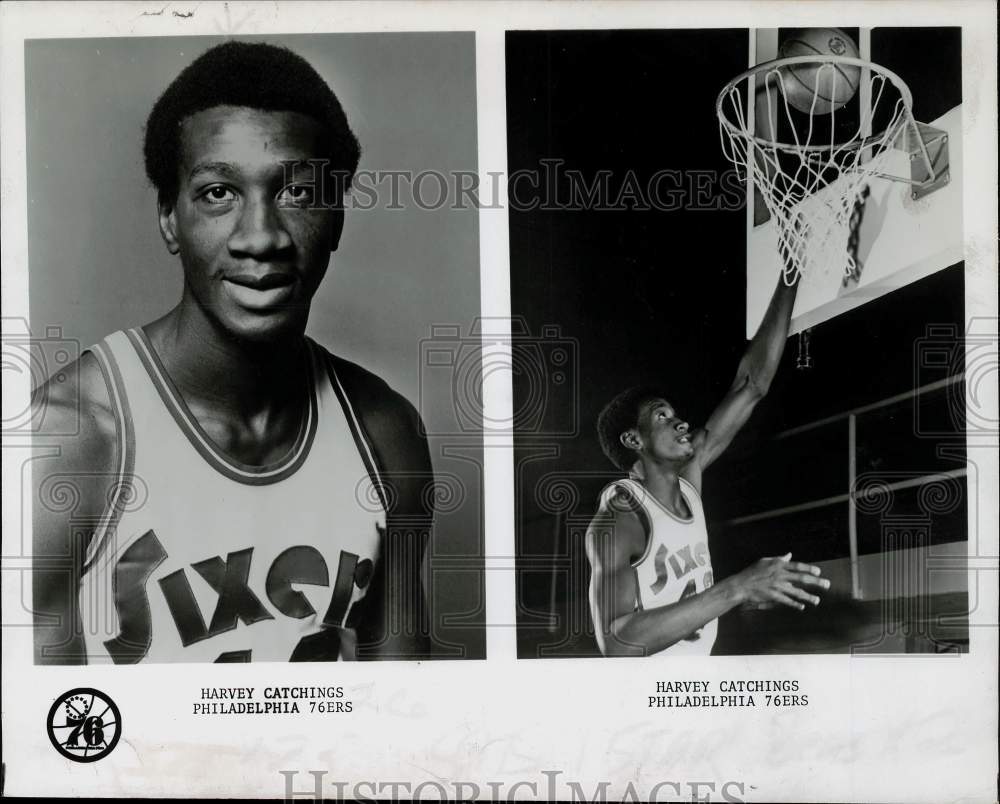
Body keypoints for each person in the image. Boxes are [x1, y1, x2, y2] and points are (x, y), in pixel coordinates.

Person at [31, 41, 433, 664]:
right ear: (169, 217)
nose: (260, 237)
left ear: (337, 218)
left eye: (297, 193)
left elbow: (406, 723)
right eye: (218, 192)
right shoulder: (65, 440)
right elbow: (41, 746)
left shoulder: (387, 434)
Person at [586, 272, 830, 657]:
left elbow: (751, 385)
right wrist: (738, 588)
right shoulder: (621, 517)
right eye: (662, 417)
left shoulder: (687, 478)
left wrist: (790, 273)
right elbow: (616, 642)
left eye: (675, 413)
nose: (681, 421)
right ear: (634, 440)